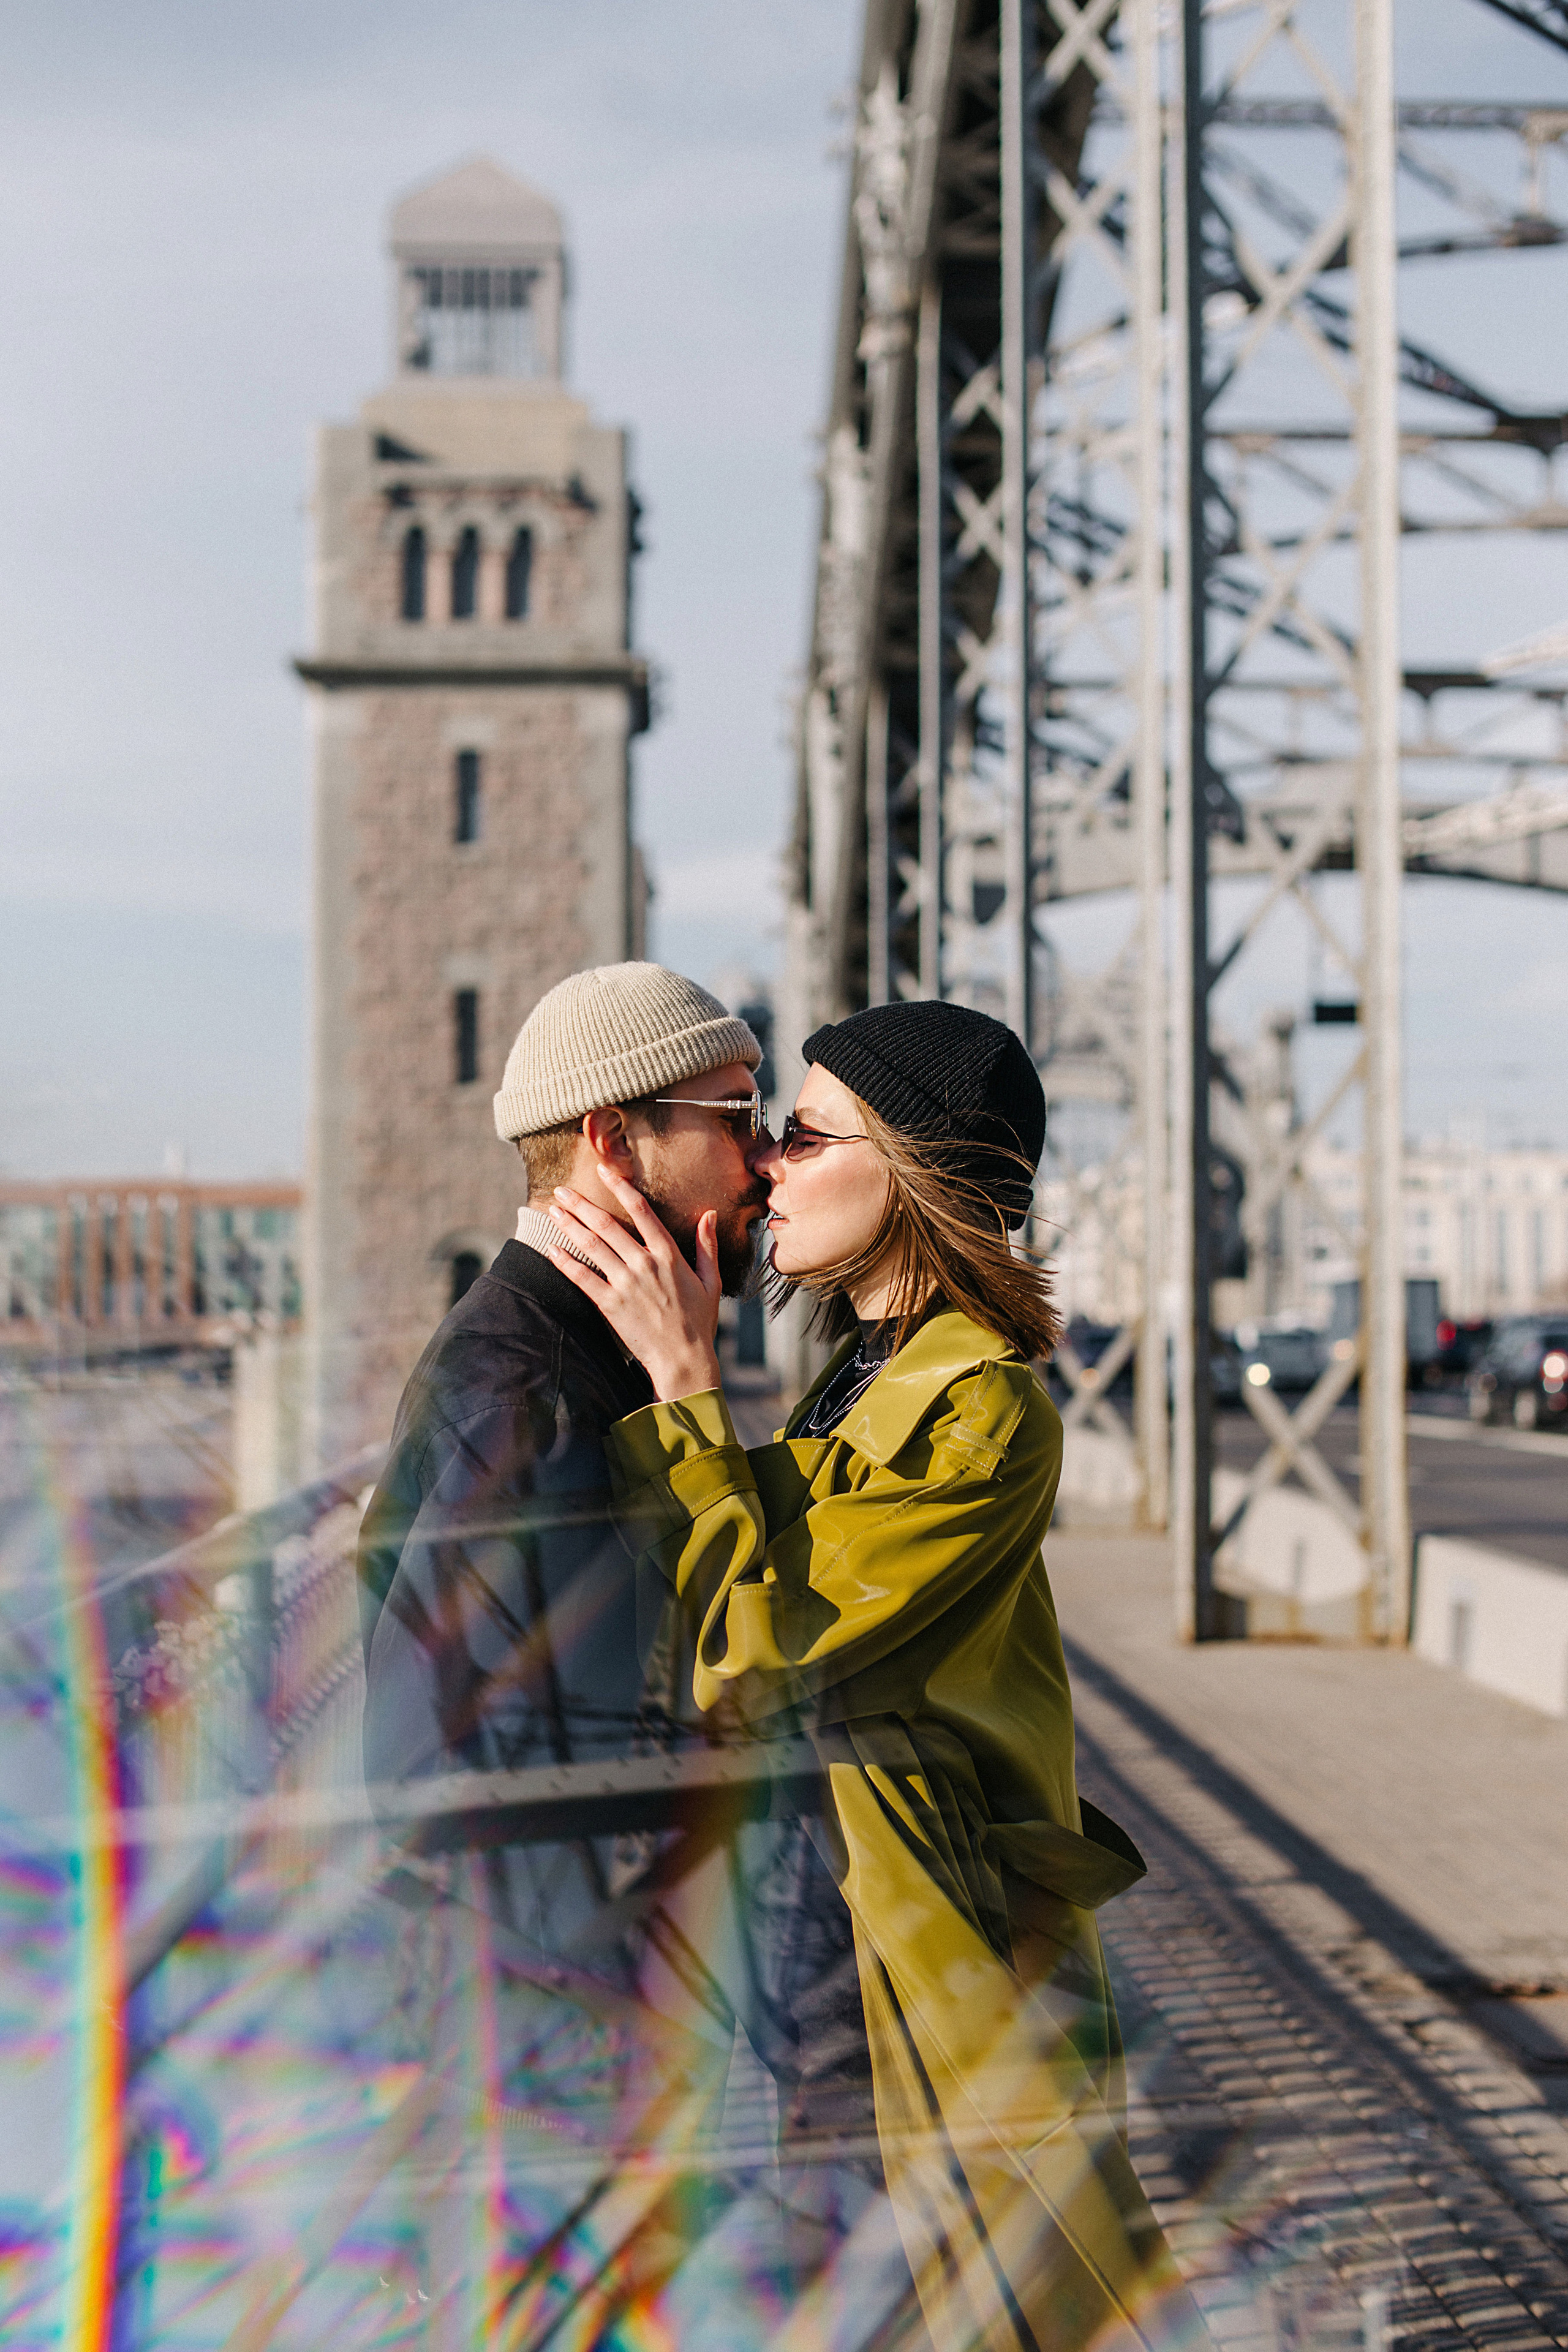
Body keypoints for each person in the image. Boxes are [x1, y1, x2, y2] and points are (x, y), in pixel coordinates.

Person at [546, 997, 1207, 2351]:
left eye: (800, 1133)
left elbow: (766, 1653)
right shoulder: (863, 1376)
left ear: (908, 1173)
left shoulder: (979, 1409)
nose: (768, 1164)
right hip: (832, 1901)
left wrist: (681, 1392)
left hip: (921, 1922)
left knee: (986, 2283)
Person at [356, 960, 769, 1953]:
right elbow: (477, 1768)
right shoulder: (530, 1393)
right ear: (614, 1141)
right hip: (560, 2017)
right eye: (736, 1116)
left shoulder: (571, 1354)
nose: (765, 1158)